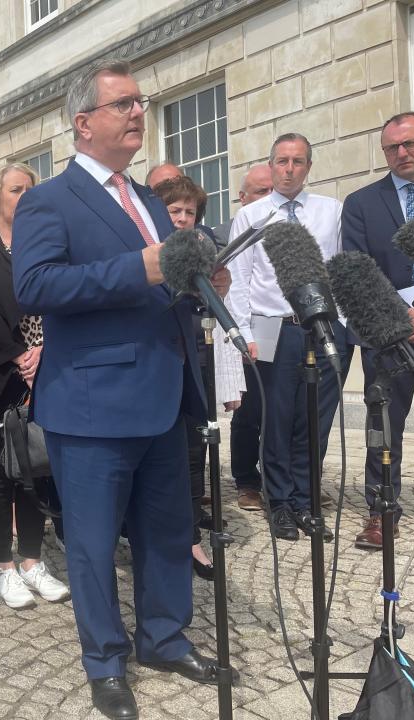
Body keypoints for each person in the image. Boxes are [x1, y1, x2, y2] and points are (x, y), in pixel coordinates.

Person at [12, 60, 226, 719]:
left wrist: (196, 276)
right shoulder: (49, 200)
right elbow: (37, 286)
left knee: (166, 532)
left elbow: (163, 282)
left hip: (164, 394)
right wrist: (142, 266)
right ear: (83, 124)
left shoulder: (148, 201)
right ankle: (106, 661)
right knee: (94, 543)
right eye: (123, 104)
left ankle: (163, 636)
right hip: (92, 404)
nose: (139, 113)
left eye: (140, 102)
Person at [0, 162, 70, 608]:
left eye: (30, 189)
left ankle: (31, 560)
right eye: (15, 190)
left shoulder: (43, 247)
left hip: (41, 369)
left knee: (33, 470)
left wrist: (43, 352)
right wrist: (18, 354)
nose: (24, 197)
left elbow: (58, 298)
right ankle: (4, 566)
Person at [228, 133, 344, 541]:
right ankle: (278, 501)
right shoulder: (253, 215)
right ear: (271, 165)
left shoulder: (331, 211)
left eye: (297, 162)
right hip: (272, 326)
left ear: (308, 167)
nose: (289, 169)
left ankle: (306, 500)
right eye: (281, 161)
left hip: (321, 326)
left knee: (314, 421)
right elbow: (239, 280)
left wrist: (341, 323)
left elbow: (340, 268)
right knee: (276, 420)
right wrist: (243, 332)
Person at [152, 176, 245, 581]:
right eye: (176, 211)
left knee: (195, 457)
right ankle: (152, 537)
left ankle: (190, 537)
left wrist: (217, 290)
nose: (184, 219)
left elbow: (216, 321)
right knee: (157, 460)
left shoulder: (205, 252)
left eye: (190, 212)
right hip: (156, 367)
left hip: (197, 365)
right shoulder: (147, 254)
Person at [342, 111, 414, 548]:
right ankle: (381, 508)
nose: (402, 153)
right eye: (392, 147)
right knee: (383, 424)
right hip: (388, 333)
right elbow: (357, 271)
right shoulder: (362, 203)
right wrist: (401, 317)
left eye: (410, 143)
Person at [214, 164, 272, 512]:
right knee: (249, 408)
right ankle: (245, 479)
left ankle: (280, 477)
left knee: (281, 409)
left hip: (282, 326)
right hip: (242, 329)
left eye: (271, 191)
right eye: (260, 192)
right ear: (243, 197)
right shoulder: (225, 232)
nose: (268, 198)